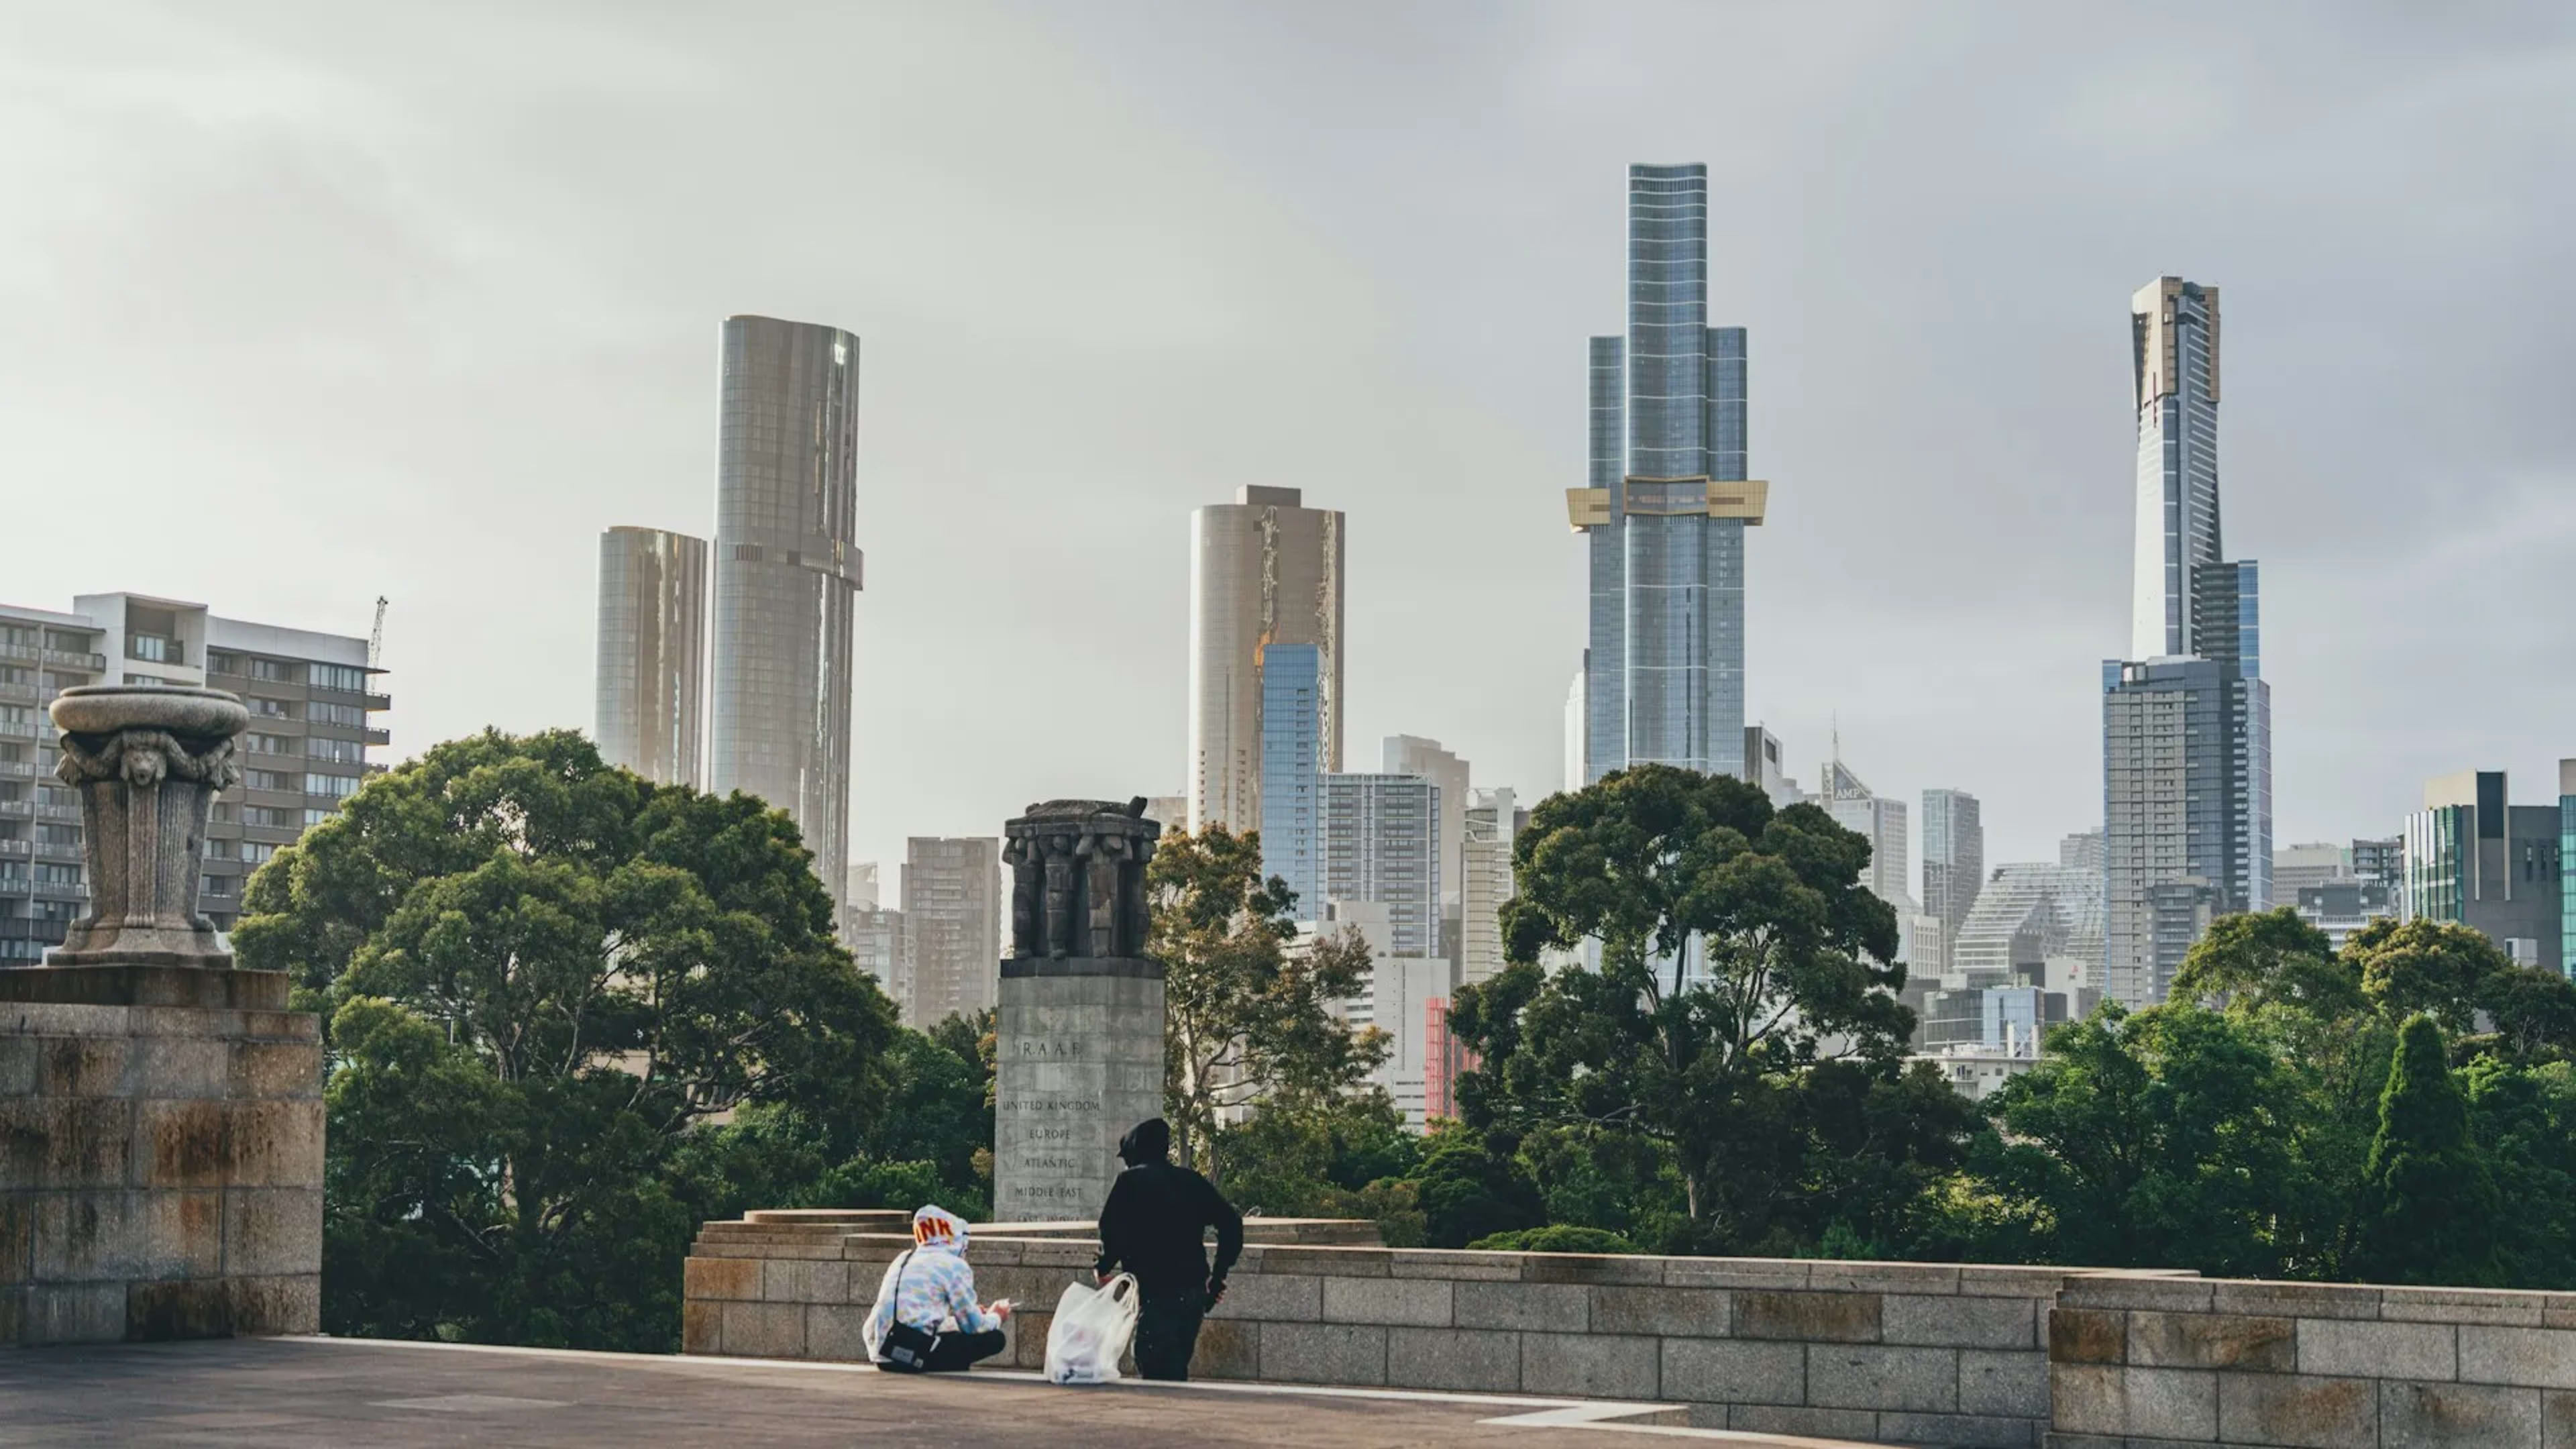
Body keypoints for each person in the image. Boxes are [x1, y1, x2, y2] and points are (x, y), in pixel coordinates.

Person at [1093, 1118, 1243, 1382]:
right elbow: (1231, 1223)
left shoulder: (1130, 1181)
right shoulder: (1191, 1181)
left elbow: (1112, 1230)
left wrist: (1103, 1267)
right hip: (1193, 1293)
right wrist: (1218, 1276)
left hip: (1154, 1292)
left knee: (1156, 1373)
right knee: (1175, 1367)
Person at [862, 1205, 1013, 1373]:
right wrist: (997, 1316)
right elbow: (974, 1327)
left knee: (955, 1334)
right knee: (995, 1338)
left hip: (883, 1355)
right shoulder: (954, 1265)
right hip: (912, 1356)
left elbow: (917, 1319)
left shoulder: (903, 1258)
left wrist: (966, 1316)